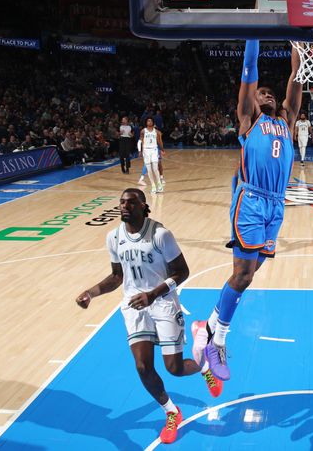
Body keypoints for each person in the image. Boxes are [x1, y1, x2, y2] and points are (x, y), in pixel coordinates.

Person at [75, 189, 221, 444]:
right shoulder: (113, 237)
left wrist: (153, 294)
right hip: (133, 306)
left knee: (174, 369)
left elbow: (182, 272)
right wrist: (90, 292)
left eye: (131, 203)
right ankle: (172, 411)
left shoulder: (161, 235)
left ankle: (205, 364)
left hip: (163, 304)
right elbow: (117, 277)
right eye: (121, 202)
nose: (124, 206)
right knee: (142, 366)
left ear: (144, 207)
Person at [194, 39, 301, 382]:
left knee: (249, 275)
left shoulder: (287, 121)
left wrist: (302, 44)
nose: (267, 94)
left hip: (276, 204)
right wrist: (253, 33)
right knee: (241, 274)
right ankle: (217, 341)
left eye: (272, 93)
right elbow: (250, 72)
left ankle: (206, 325)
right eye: (262, 93)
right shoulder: (247, 119)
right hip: (252, 200)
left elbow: (296, 75)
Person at [140, 118, 164, 194]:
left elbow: (159, 142)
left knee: (155, 168)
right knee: (149, 170)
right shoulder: (143, 131)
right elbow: (140, 141)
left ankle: (159, 184)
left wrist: (162, 150)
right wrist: (140, 150)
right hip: (146, 151)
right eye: (147, 121)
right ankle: (153, 186)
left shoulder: (157, 132)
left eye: (150, 121)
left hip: (154, 150)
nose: (149, 122)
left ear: (153, 122)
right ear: (146, 122)